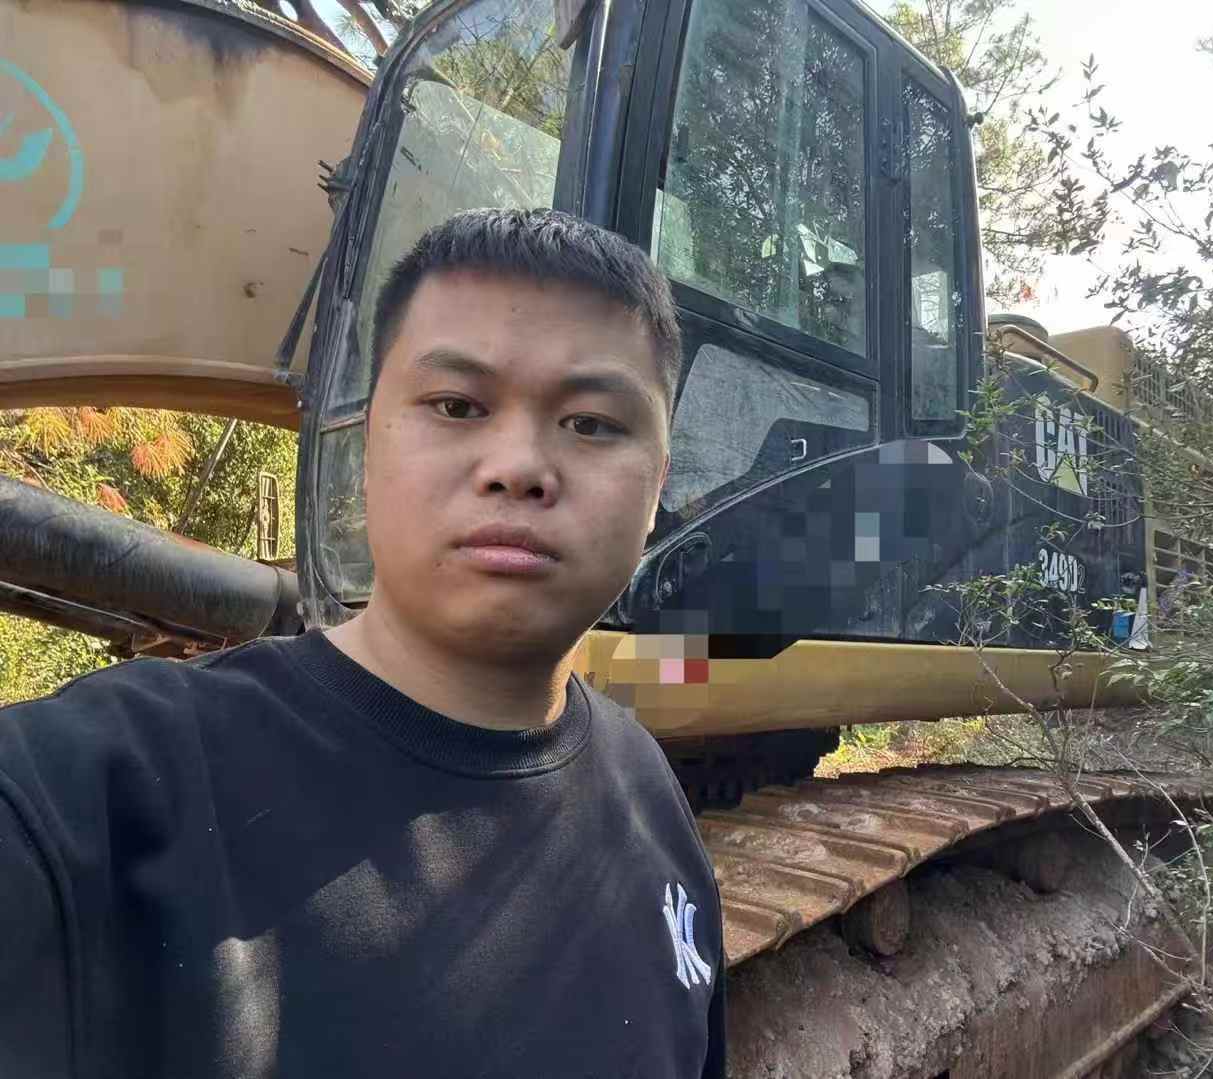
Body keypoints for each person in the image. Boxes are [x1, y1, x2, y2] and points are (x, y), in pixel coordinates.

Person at [0, 209, 725, 1078]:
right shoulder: (102, 797)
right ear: (367, 434)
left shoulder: (650, 796)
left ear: (659, 482)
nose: (519, 465)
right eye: (457, 405)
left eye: (593, 423)